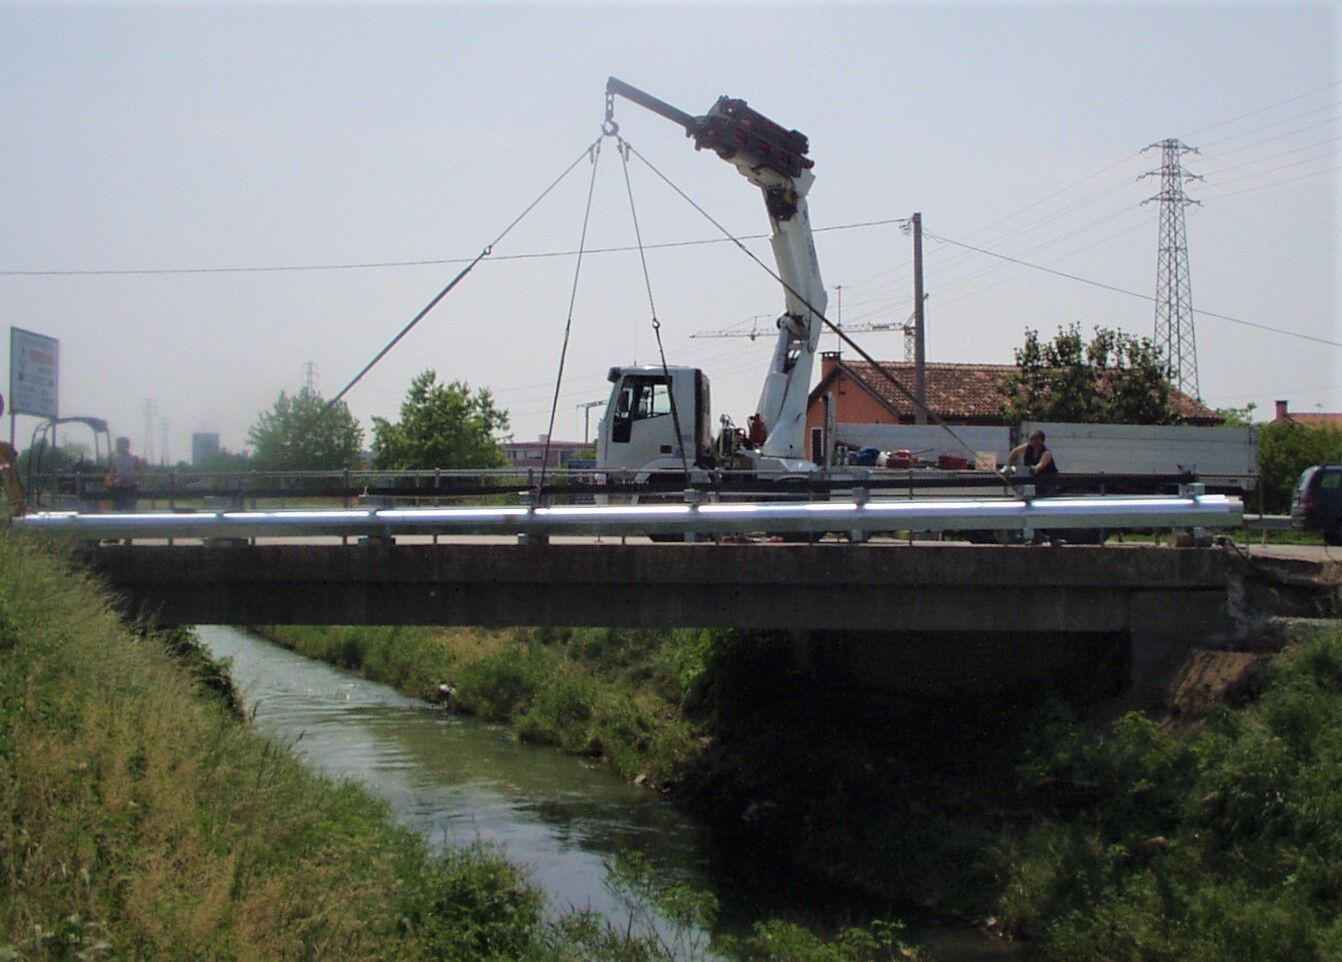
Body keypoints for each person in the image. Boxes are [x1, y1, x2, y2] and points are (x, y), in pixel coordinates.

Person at [106, 436, 143, 512]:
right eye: (117, 445)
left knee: (131, 509)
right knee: (117, 509)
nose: (117, 447)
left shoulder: (134, 457)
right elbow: (112, 472)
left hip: (131, 487)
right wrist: (112, 482)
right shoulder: (115, 458)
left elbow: (140, 471)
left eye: (119, 445)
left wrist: (131, 479)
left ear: (126, 445)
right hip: (119, 487)